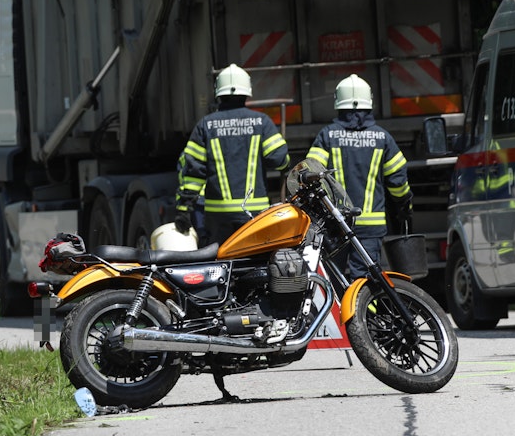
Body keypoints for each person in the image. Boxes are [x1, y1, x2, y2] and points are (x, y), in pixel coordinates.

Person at [306, 73, 413, 277]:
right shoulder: (383, 138)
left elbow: (310, 173)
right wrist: (403, 206)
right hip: (370, 228)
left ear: (338, 102)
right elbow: (398, 182)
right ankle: (363, 310)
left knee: (333, 279)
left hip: (336, 223)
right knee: (366, 281)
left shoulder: (327, 136)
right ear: (369, 101)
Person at [174, 64, 290, 245]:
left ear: (218, 93)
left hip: (218, 215)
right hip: (255, 214)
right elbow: (278, 160)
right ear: (247, 92)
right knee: (255, 264)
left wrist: (183, 208)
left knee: (222, 266)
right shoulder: (262, 122)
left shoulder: (206, 125)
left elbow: (193, 172)